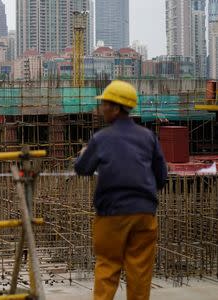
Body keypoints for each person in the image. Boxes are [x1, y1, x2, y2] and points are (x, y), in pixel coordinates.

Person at [74, 80, 168, 300]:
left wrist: (83, 152)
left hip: (112, 214)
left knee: (108, 266)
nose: (101, 108)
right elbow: (161, 177)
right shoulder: (148, 137)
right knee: (140, 272)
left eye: (104, 104)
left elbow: (83, 169)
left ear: (115, 108)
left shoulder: (101, 138)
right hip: (144, 213)